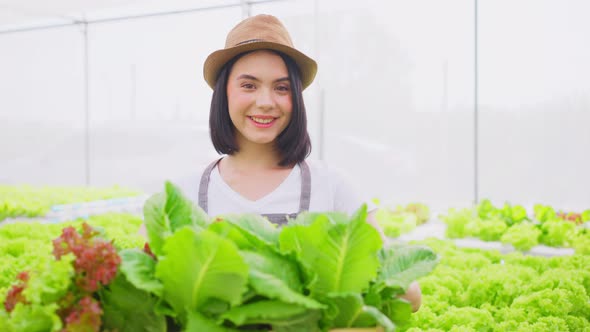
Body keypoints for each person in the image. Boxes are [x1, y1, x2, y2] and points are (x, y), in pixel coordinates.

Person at [150, 13, 421, 312]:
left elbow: (408, 294)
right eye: (249, 86)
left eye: (281, 88)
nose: (266, 101)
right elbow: (143, 294)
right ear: (223, 92)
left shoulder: (332, 186)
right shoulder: (182, 194)